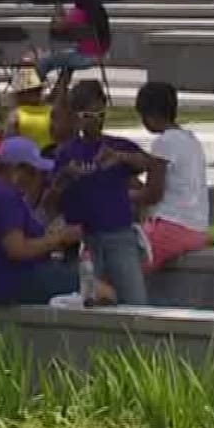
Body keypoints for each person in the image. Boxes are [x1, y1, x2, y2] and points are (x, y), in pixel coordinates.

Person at [47, 79, 153, 304]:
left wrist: (121, 157)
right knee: (88, 299)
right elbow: (52, 197)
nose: (96, 121)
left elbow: (148, 163)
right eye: (89, 116)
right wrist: (67, 176)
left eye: (100, 113)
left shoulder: (118, 145)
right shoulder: (66, 152)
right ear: (76, 116)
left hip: (118, 234)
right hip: (84, 238)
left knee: (134, 298)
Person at [0, 137, 85, 305]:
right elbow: (17, 250)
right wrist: (60, 238)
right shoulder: (5, 197)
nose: (38, 179)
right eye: (34, 172)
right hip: (14, 282)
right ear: (17, 170)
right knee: (96, 284)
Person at [134, 81, 210, 272]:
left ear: (149, 114)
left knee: (117, 263)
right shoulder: (190, 140)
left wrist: (120, 195)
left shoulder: (164, 142)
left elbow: (153, 194)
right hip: (197, 229)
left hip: (171, 228)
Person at [36, 0, 109, 86]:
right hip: (100, 55)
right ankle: (58, 92)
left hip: (85, 57)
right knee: (64, 57)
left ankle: (30, 94)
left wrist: (59, 14)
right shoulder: (100, 13)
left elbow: (58, 30)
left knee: (43, 61)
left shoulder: (78, 13)